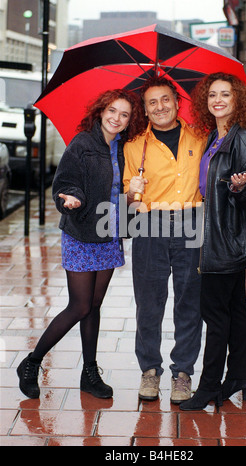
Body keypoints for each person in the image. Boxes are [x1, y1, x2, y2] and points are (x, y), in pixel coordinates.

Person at [17, 89, 146, 399]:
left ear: (130, 120)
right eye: (112, 111)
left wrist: (131, 195)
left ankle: (89, 373)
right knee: (80, 305)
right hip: (81, 232)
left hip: (108, 232)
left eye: (124, 114)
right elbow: (65, 182)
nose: (117, 118)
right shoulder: (83, 144)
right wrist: (71, 198)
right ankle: (32, 362)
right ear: (101, 111)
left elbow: (116, 194)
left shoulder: (121, 148)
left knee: (94, 306)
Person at [179, 72, 246, 411]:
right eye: (212, 95)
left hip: (225, 241)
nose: (218, 100)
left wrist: (239, 187)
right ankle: (236, 378)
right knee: (235, 311)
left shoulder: (242, 140)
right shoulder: (216, 137)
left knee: (214, 315)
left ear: (237, 101)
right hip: (219, 235)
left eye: (226, 95)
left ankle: (208, 389)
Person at [123, 77, 205, 404]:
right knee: (149, 303)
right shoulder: (133, 146)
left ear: (176, 102)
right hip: (149, 226)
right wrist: (132, 190)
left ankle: (183, 373)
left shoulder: (199, 137)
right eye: (152, 102)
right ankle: (149, 371)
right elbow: (129, 199)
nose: (160, 107)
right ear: (144, 109)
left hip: (191, 223)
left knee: (189, 303)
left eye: (165, 100)